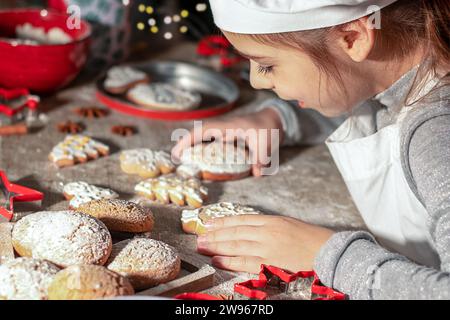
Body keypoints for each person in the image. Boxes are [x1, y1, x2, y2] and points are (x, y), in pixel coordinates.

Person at [172, 0, 450, 299]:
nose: (257, 81)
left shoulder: (437, 134)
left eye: (267, 64)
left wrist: (325, 255)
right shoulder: (407, 72)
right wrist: (279, 118)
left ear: (352, 38)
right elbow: (356, 92)